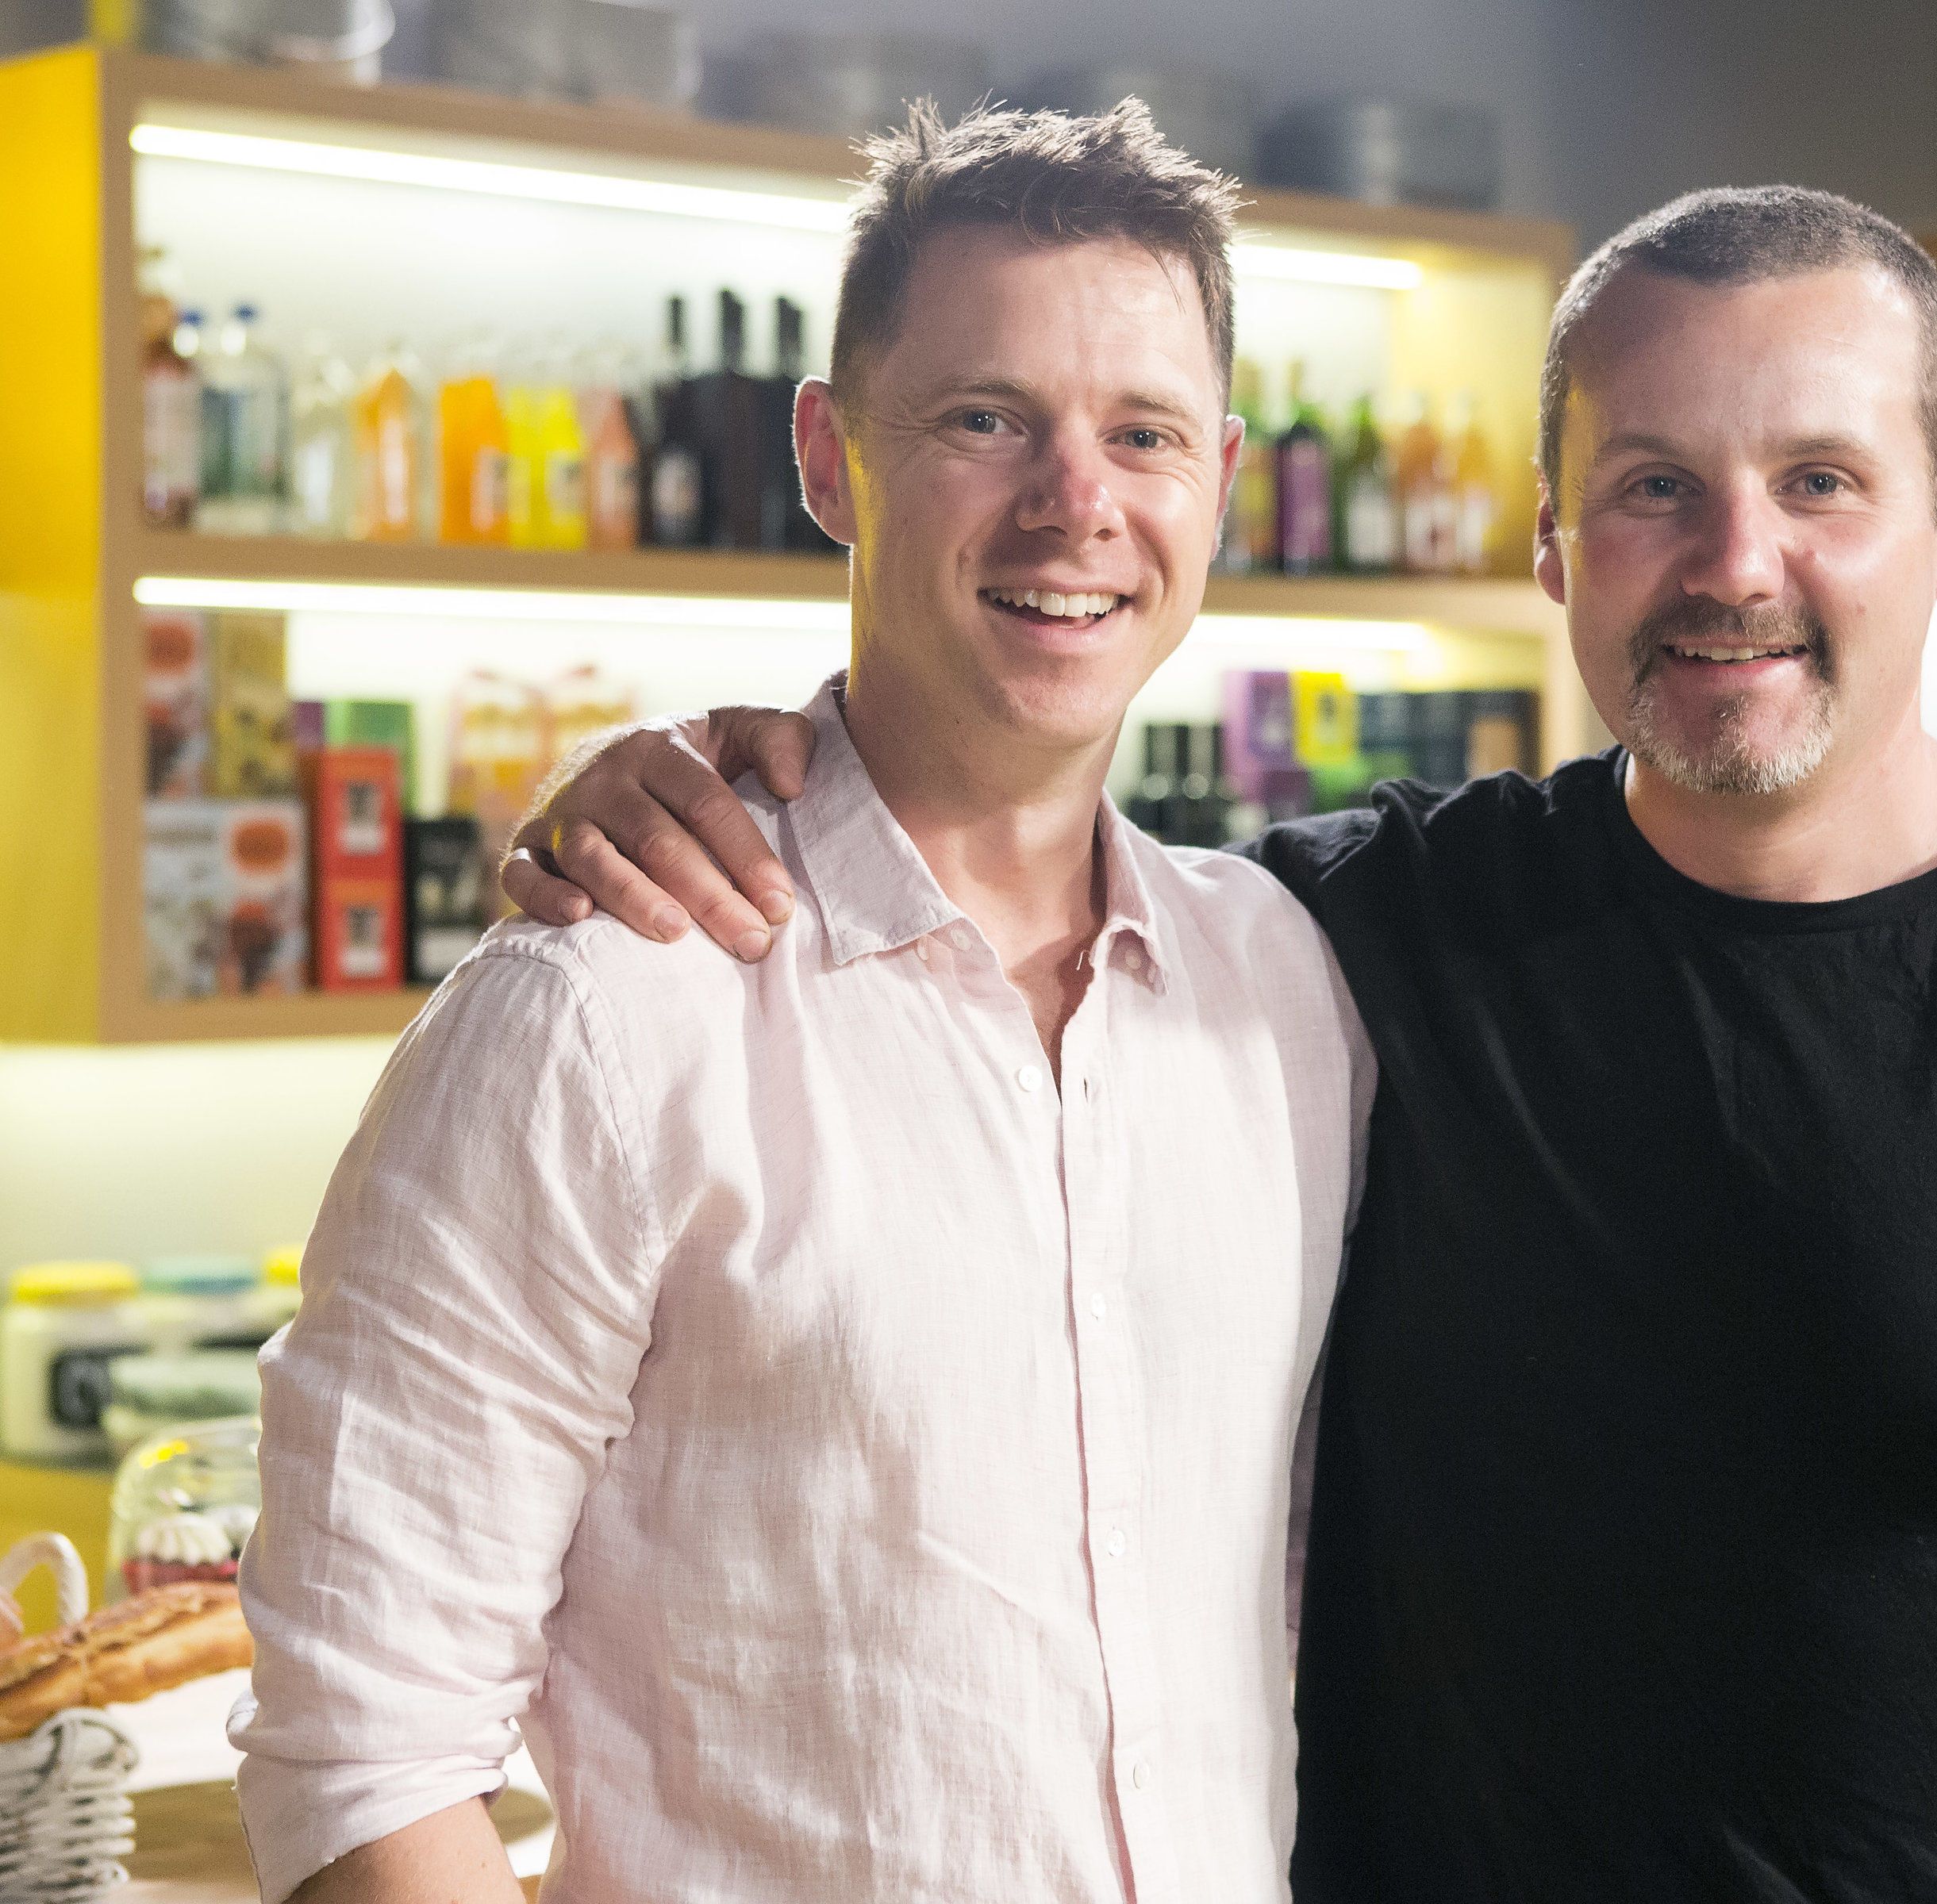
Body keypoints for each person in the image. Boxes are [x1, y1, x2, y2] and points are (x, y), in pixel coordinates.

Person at [509, 186, 1937, 1903]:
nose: (1736, 564)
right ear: (1554, 544)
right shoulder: (1333, 948)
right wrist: (707, 781)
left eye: (1820, 482)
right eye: (1655, 486)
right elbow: (990, 858)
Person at [234, 103, 1369, 1904]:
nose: (1075, 500)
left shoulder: (1289, 990)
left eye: (1143, 433)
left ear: (1221, 480)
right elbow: (366, 1749)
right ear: (831, 460)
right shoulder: (603, 1009)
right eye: (984, 419)